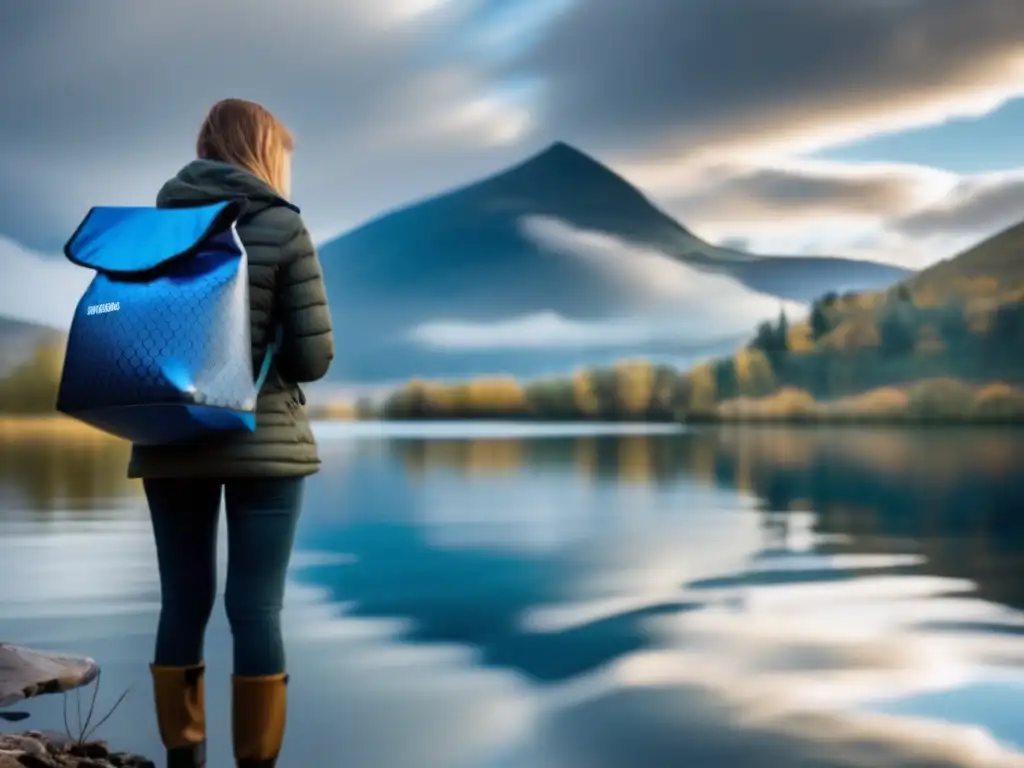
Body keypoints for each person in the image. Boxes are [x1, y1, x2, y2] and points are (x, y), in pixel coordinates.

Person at [137, 98, 334, 768]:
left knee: (182, 603)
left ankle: (182, 759)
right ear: (263, 152)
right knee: (255, 611)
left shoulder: (159, 224)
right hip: (264, 444)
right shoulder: (281, 225)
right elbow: (311, 359)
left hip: (171, 438)